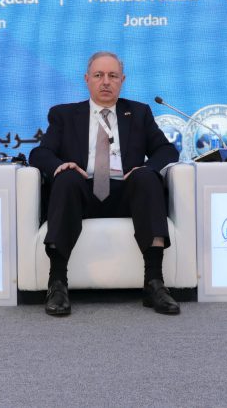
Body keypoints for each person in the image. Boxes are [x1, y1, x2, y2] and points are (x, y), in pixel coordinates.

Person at [30, 51, 181, 316]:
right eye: (99, 75)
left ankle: (154, 282)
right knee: (66, 178)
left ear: (123, 80)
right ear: (87, 79)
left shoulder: (139, 112)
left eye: (113, 76)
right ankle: (57, 284)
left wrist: (146, 168)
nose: (106, 82)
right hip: (82, 192)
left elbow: (166, 150)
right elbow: (39, 153)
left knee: (147, 178)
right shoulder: (64, 114)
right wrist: (59, 166)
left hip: (126, 192)